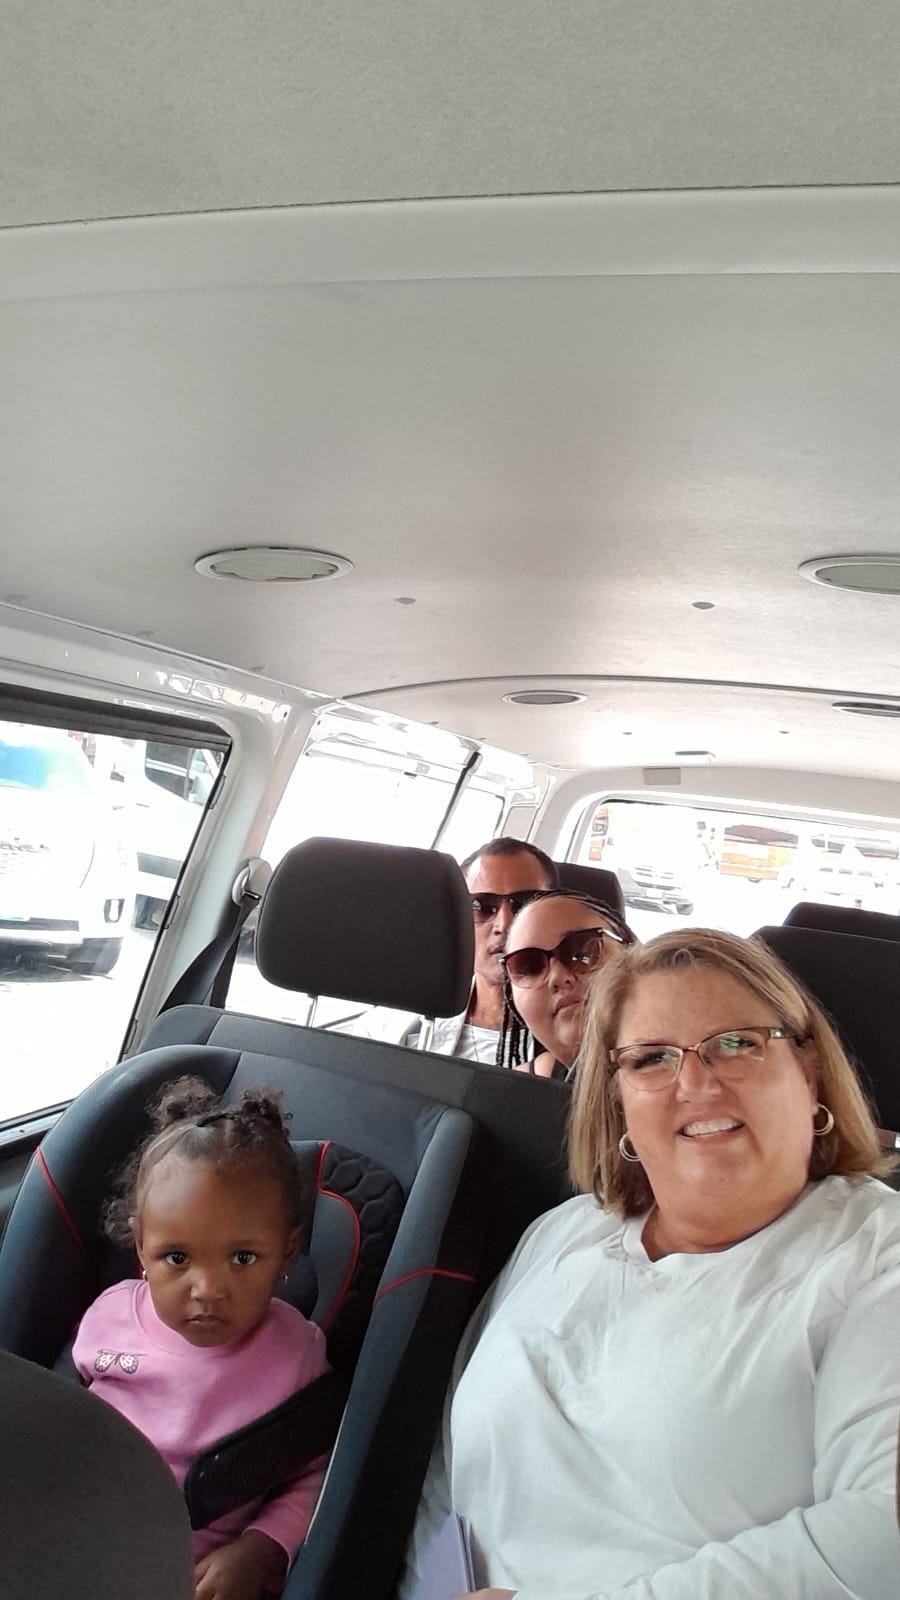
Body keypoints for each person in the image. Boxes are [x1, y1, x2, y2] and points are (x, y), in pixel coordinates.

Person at [402, 928, 900, 1600]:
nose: (697, 1083)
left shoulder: (876, 1253)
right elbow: (447, 1471)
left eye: (738, 1043)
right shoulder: (563, 1234)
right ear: (619, 1101)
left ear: (808, 1071)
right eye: (652, 1058)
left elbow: (882, 1533)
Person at [73, 1077, 329, 1600]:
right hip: (80, 1540)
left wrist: (262, 1547)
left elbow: (316, 1474)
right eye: (177, 1257)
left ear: (286, 1253)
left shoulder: (296, 1353)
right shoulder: (109, 1316)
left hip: (190, 1578)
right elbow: (69, 1417)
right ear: (141, 1249)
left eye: (243, 1258)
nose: (207, 1289)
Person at [351, 838, 558, 1061]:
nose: (504, 924)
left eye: (525, 904)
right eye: (481, 906)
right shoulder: (388, 1028)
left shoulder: (580, 1040)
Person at [497, 889, 636, 1078]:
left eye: (582, 952)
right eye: (529, 967)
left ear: (632, 953)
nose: (557, 977)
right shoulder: (523, 1087)